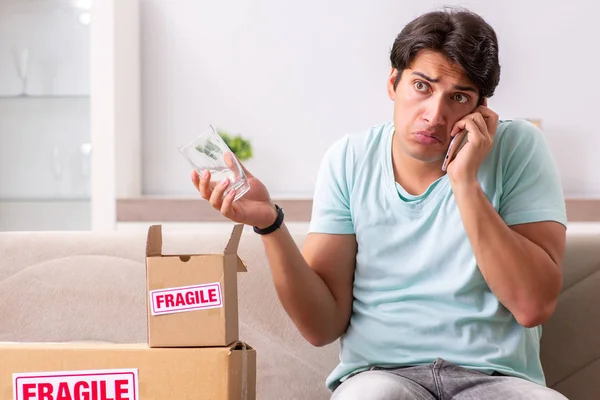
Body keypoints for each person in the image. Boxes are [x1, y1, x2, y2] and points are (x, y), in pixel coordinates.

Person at [191, 7, 569, 400]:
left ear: (481, 109)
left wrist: (464, 180)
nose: (435, 115)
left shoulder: (518, 148)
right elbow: (321, 327)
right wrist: (270, 222)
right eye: (422, 86)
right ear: (393, 82)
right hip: (382, 377)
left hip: (496, 379)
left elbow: (532, 306)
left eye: (457, 97)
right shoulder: (349, 159)